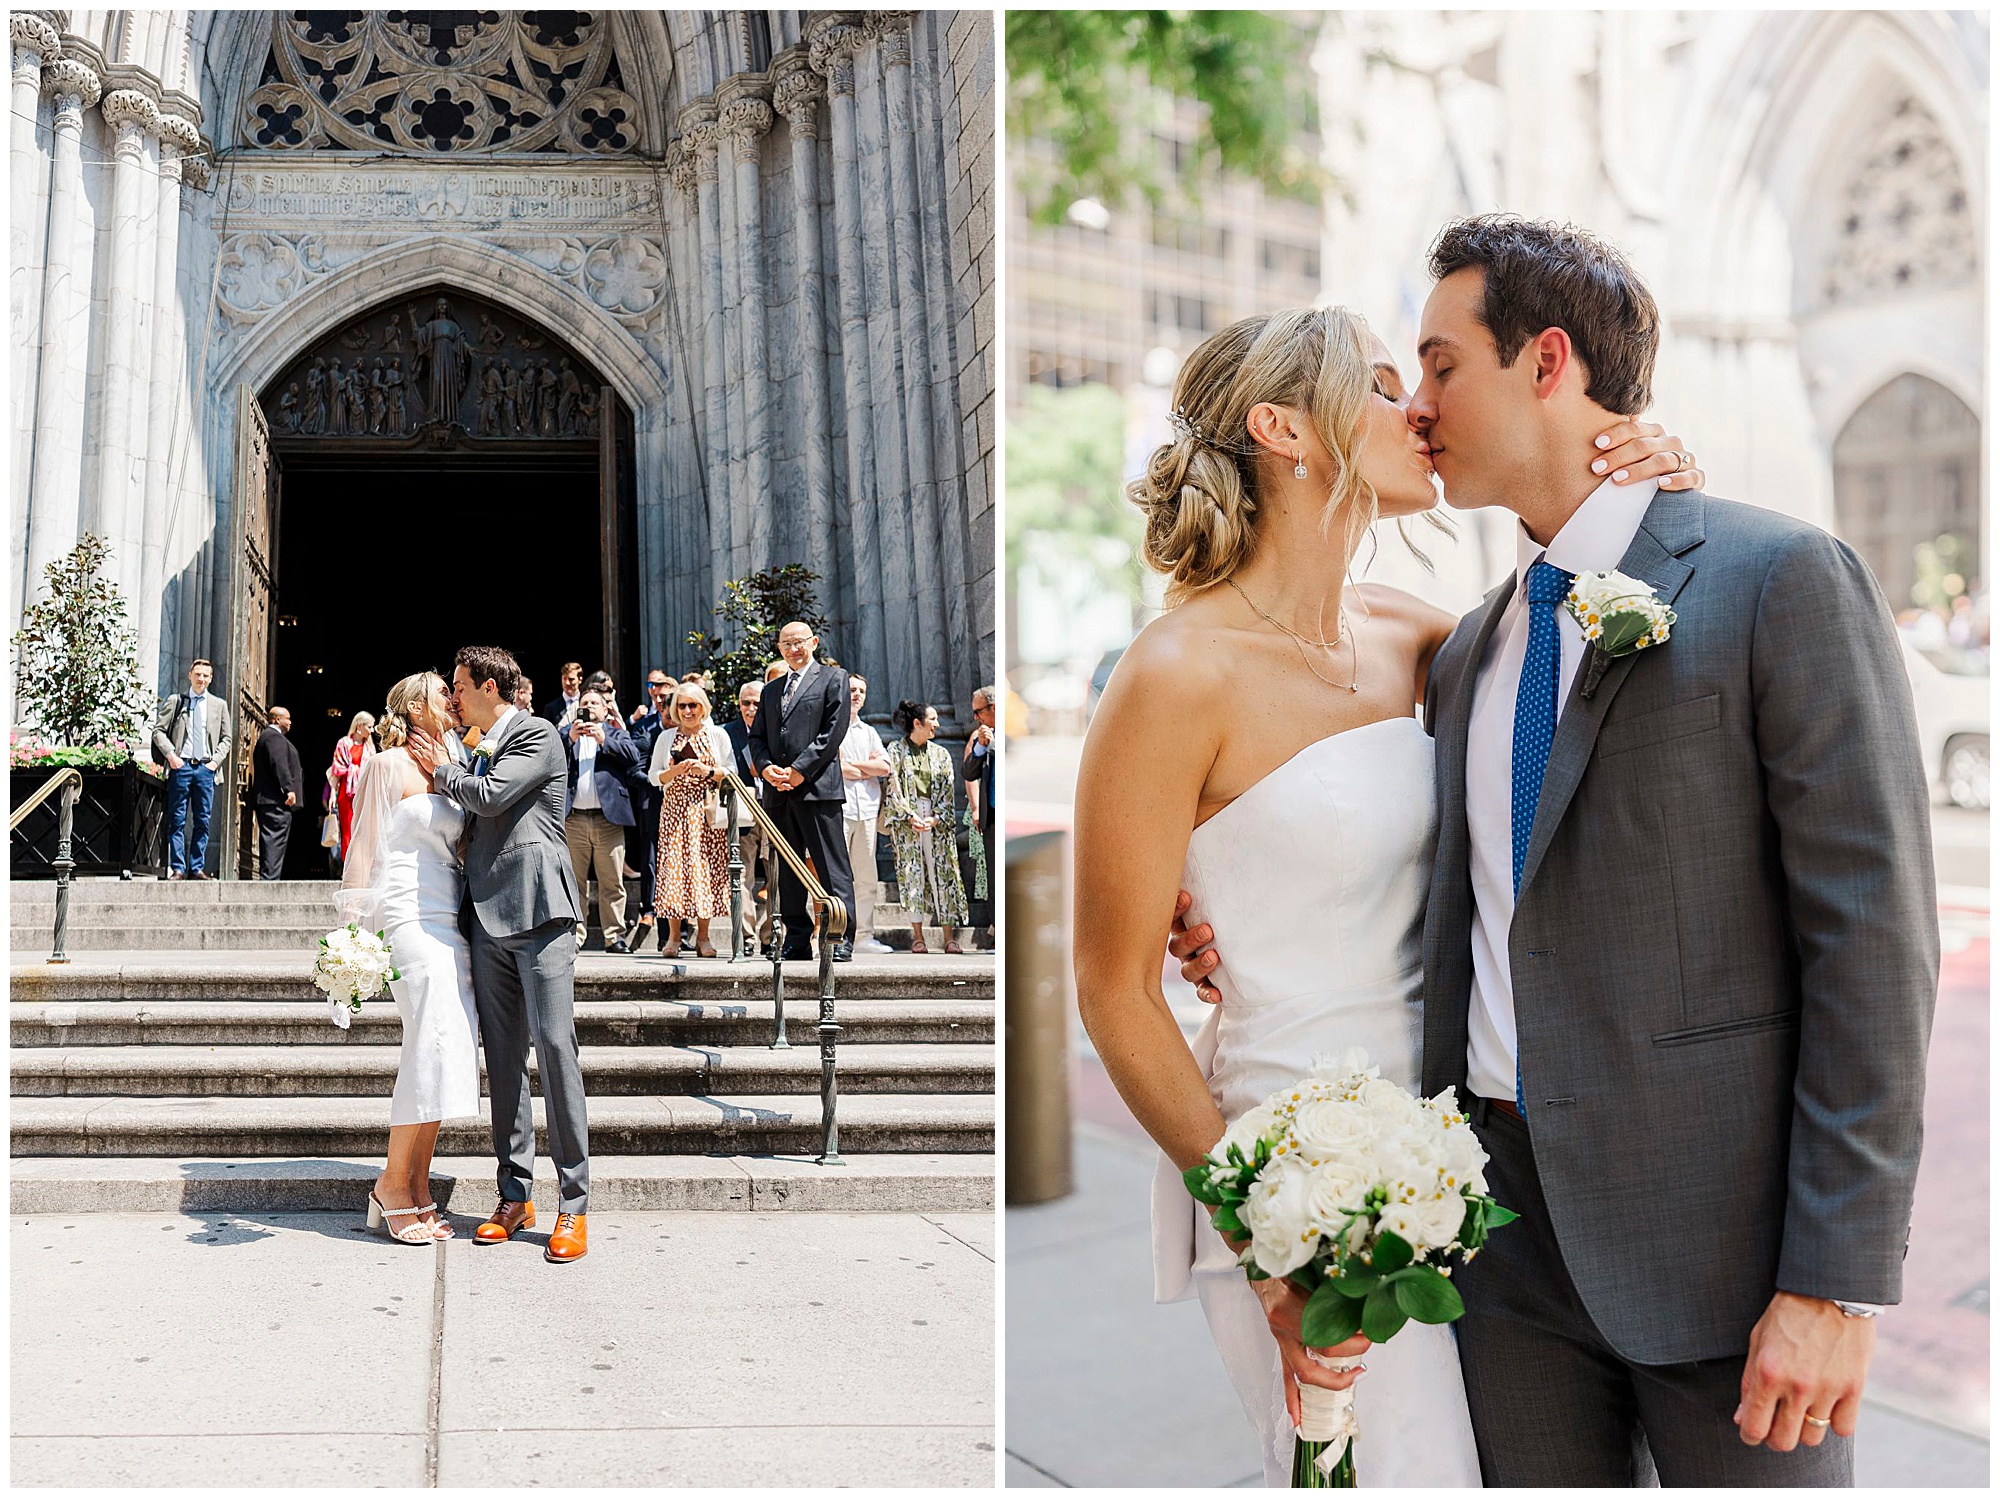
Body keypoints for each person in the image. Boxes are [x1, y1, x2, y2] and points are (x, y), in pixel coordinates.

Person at [1164, 219, 1937, 1486]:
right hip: (1497, 1256)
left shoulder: (1775, 579)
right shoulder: (1460, 650)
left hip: (1724, 1259)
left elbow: (1875, 941)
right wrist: (1202, 909)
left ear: (1547, 363)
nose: (1415, 408)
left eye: (1439, 364)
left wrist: (1833, 1282)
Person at [1077, 288, 1712, 1485]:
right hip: (1290, 1160)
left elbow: (1569, 671)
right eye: (1378, 385)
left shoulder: (1421, 638)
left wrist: (1651, 475)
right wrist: (1262, 1235)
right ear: (1284, 430)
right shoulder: (1173, 674)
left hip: (1455, 1161)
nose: (1414, 409)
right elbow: (1112, 993)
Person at [409, 646, 591, 1265]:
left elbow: (488, 797)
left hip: (540, 911)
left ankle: (573, 1203)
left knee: (556, 1048)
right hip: (484, 915)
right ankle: (514, 1196)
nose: (454, 698)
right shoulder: (475, 743)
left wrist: (442, 769)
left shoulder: (537, 734)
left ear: (491, 687)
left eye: (460, 687)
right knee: (505, 1058)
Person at [339, 672, 479, 1245]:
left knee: (449, 1044)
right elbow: (363, 849)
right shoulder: (387, 764)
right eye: (442, 690)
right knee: (428, 1040)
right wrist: (352, 938)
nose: (453, 697)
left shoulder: (455, 766)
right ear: (414, 705)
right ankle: (392, 1185)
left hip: (450, 915)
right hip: (405, 912)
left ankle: (418, 1185)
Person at [745, 623, 855, 962]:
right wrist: (766, 769)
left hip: (818, 789)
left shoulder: (833, 679)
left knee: (831, 867)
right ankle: (796, 937)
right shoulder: (771, 689)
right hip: (778, 792)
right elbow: (757, 737)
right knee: (787, 871)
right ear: (779, 648)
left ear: (814, 642)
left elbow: (831, 733)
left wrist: (799, 771)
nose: (793, 649)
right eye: (786, 644)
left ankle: (840, 937)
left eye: (799, 642)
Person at [648, 683, 732, 958]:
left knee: (704, 873)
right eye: (682, 705)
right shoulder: (666, 737)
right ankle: (673, 938)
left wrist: (707, 770)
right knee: (674, 871)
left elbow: (731, 772)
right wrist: (673, 772)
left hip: (706, 810)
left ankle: (703, 938)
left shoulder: (717, 735)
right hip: (674, 811)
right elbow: (653, 776)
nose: (687, 711)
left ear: (702, 707)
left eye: (692, 705)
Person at [882, 700, 969, 955]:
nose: (937, 724)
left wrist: (937, 817)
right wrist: (909, 817)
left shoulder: (940, 754)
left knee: (944, 874)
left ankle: (949, 937)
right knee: (912, 875)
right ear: (917, 723)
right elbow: (893, 787)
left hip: (936, 820)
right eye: (932, 719)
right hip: (908, 822)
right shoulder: (896, 751)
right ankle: (917, 937)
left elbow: (949, 790)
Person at [562, 686, 639, 954]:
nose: (590, 706)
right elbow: (548, 760)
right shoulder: (566, 735)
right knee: (574, 882)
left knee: (612, 882)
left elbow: (633, 757)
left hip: (608, 821)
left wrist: (604, 739)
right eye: (585, 702)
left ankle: (614, 936)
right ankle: (575, 936)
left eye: (595, 703)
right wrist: (569, 739)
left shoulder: (616, 733)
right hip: (574, 820)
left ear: (606, 710)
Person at [152, 658, 231, 880]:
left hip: (205, 769)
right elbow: (158, 731)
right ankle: (178, 868)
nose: (201, 679)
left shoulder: (219, 705)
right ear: (190, 675)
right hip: (182, 766)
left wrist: (214, 762)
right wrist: (171, 756)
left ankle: (196, 868)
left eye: (206, 676)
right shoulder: (177, 701)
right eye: (198, 675)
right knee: (177, 819)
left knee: (202, 820)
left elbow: (226, 737)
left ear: (211, 679)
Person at [840, 674, 895, 955]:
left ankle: (863, 936)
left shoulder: (868, 731)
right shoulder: (831, 727)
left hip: (868, 810)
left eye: (862, 690)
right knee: (838, 876)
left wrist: (855, 767)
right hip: (841, 808)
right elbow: (836, 768)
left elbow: (885, 767)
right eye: (852, 689)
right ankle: (837, 934)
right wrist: (866, 769)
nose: (857, 695)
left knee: (866, 876)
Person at [623, 670, 675, 952]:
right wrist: (660, 782)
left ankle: (682, 925)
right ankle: (650, 908)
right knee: (652, 860)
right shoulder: (644, 728)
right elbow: (634, 770)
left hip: (684, 806)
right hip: (653, 801)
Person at [723, 679, 774, 953]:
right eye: (746, 703)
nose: (751, 708)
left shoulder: (776, 728)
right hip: (743, 813)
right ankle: (746, 936)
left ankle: (770, 936)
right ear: (738, 704)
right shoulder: (727, 732)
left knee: (775, 874)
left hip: (773, 809)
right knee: (742, 875)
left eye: (756, 702)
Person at [252, 705, 304, 880]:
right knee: (274, 842)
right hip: (275, 802)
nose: (290, 723)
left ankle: (269, 878)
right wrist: (289, 789)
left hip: (269, 801)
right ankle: (269, 881)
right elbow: (279, 764)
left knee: (272, 841)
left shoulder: (269, 737)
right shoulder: (274, 738)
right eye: (287, 719)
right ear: (276, 720)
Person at [965, 684, 998, 947]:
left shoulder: (1005, 730)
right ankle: (996, 928)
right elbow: (968, 772)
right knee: (993, 876)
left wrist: (994, 745)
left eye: (979, 712)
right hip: (992, 815)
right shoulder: (981, 737)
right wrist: (981, 748)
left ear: (993, 708)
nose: (976, 718)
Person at [330, 713, 376, 863]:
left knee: (363, 829)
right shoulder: (343, 743)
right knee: (348, 829)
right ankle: (348, 866)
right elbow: (336, 770)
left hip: (364, 792)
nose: (372, 730)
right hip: (346, 792)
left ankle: (362, 865)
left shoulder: (370, 747)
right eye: (369, 727)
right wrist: (332, 794)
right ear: (359, 726)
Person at [539, 661, 583, 729]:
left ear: (580, 680)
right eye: (564, 678)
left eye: (571, 679)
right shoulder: (550, 708)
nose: (567, 683)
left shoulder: (588, 703)